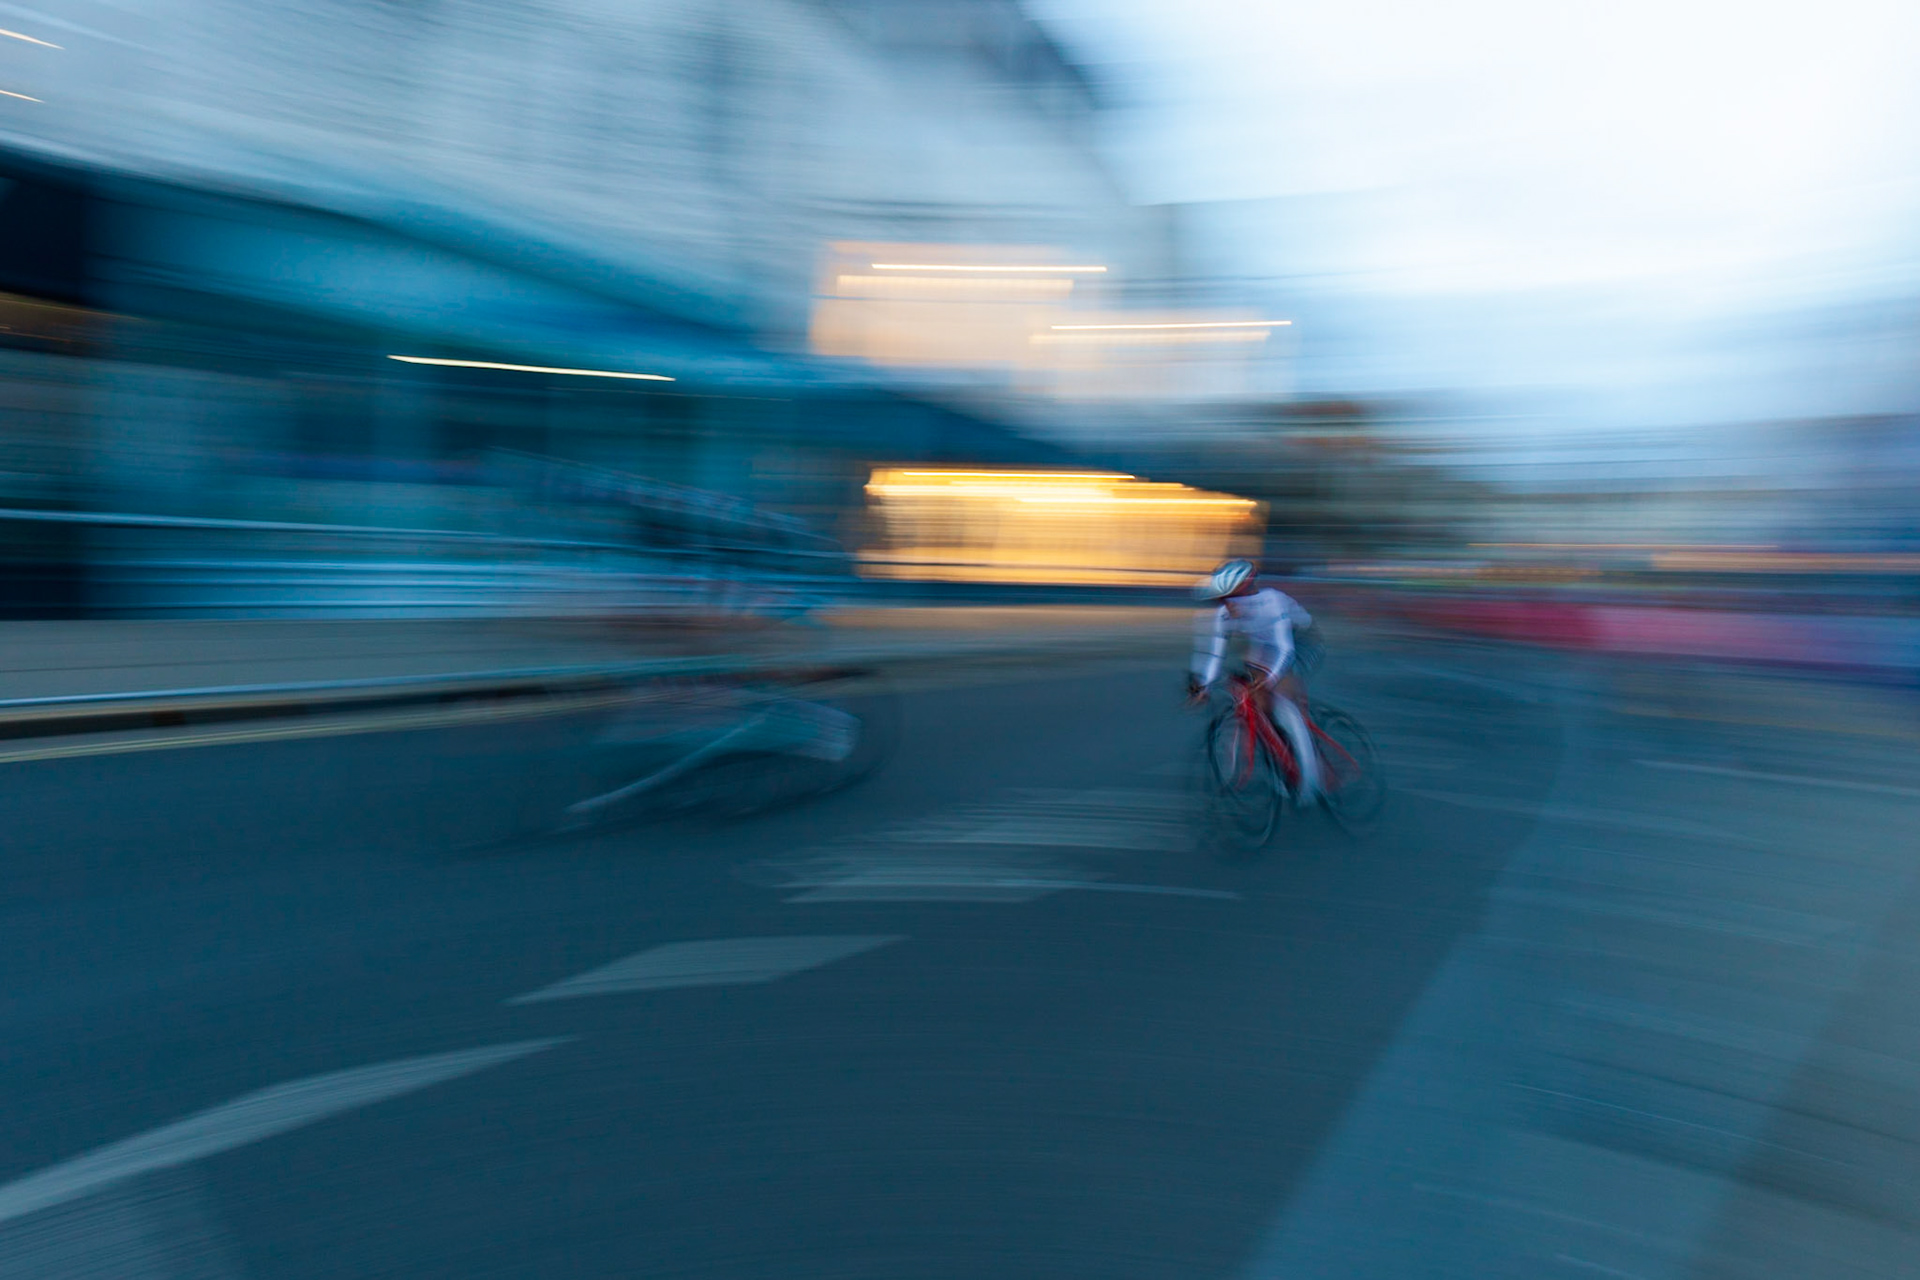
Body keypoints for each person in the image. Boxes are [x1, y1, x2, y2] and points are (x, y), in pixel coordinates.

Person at [1187, 558, 1322, 801]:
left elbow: (1285, 649)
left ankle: (1310, 780)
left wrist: (1271, 677)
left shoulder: (1272, 602)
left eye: (1232, 600)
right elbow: (1215, 654)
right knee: (1257, 698)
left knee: (1281, 696)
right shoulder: (1224, 615)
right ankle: (1279, 752)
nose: (1228, 607)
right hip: (1263, 643)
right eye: (1222, 601)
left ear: (1247, 593)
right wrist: (1203, 686)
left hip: (1299, 640)